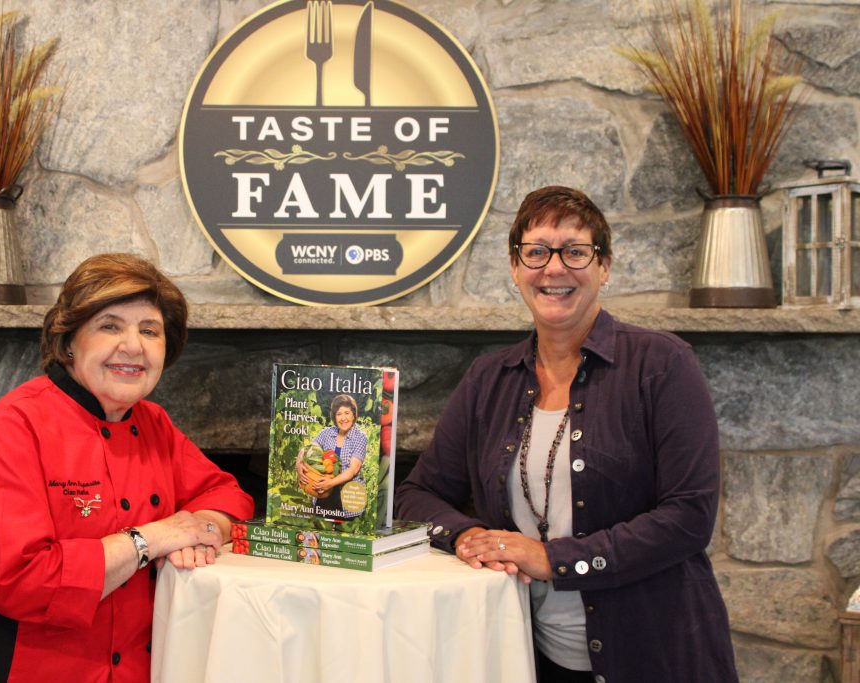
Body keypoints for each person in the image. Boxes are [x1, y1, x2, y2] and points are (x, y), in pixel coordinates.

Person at [395, 186, 738, 682]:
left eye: (575, 252)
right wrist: (468, 536)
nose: (554, 268)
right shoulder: (488, 379)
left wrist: (552, 559)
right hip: (531, 658)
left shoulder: (662, 364)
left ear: (605, 266)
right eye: (536, 252)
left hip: (656, 654)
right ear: (515, 268)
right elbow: (416, 493)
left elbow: (690, 517)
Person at [0, 253, 255, 682]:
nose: (133, 346)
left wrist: (202, 531)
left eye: (149, 330)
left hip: (137, 669)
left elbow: (227, 495)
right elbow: (23, 582)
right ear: (68, 342)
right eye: (110, 326)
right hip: (22, 671)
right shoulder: (14, 426)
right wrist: (153, 538)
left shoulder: (153, 423)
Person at [297, 394, 367, 518]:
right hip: (322, 494)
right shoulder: (327, 433)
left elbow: (353, 469)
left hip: (348, 498)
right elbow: (307, 449)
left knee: (346, 528)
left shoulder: (360, 437)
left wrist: (330, 483)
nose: (343, 418)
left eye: (347, 413)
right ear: (334, 417)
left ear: (354, 415)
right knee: (320, 526)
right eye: (339, 414)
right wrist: (299, 463)